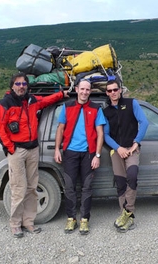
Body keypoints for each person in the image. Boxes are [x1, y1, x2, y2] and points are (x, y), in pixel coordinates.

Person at [0, 72, 68, 238]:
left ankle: (28, 222)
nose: (21, 87)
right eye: (18, 84)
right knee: (18, 188)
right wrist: (10, 148)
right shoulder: (5, 104)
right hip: (17, 151)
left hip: (33, 149)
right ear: (12, 86)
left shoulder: (32, 100)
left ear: (27, 86)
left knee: (32, 188)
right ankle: (15, 224)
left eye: (23, 84)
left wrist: (62, 94)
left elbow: (47, 100)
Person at [54, 79, 106, 235]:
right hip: (70, 152)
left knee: (87, 187)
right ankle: (71, 218)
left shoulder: (96, 108)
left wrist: (97, 155)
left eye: (87, 90)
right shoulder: (67, 106)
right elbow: (60, 129)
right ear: (76, 89)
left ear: (90, 91)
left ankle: (84, 220)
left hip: (89, 154)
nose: (84, 92)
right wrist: (57, 149)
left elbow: (100, 133)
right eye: (82, 89)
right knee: (69, 187)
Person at [103, 80, 149, 233]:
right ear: (106, 93)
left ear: (120, 90)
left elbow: (144, 122)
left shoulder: (131, 103)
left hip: (132, 149)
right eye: (109, 91)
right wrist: (118, 148)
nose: (113, 93)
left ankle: (127, 211)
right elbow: (105, 134)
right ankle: (127, 218)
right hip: (117, 150)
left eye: (115, 89)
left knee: (132, 176)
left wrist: (136, 143)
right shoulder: (106, 111)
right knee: (121, 182)